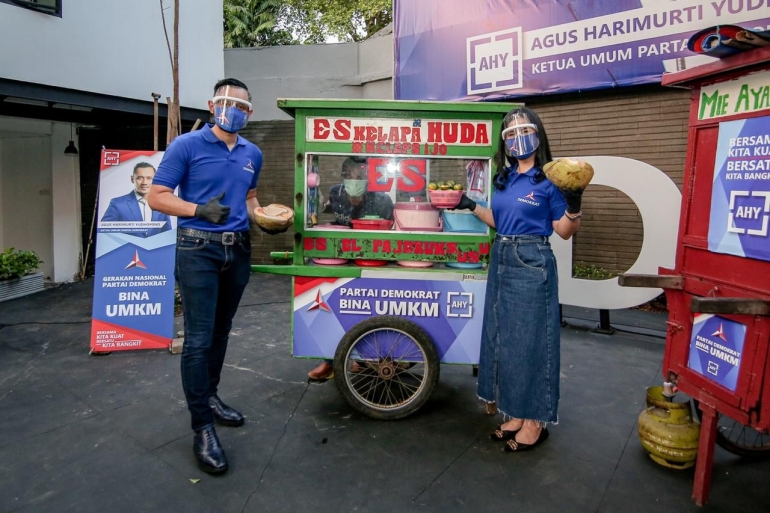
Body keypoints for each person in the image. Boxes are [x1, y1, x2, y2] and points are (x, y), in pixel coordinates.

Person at [148, 78, 278, 474]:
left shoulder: (252, 152)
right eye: (227, 102)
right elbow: (156, 195)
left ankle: (212, 397)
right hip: (197, 247)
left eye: (242, 104)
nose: (234, 109)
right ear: (212, 104)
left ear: (250, 112)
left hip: (237, 249)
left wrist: (266, 219)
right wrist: (197, 210)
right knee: (199, 339)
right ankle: (202, 425)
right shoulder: (186, 145)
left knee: (221, 333)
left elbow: (250, 198)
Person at [456, 106, 584, 452]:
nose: (517, 138)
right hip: (502, 255)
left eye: (523, 130)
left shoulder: (550, 180)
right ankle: (515, 411)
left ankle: (535, 421)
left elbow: (564, 231)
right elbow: (500, 221)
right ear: (504, 142)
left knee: (532, 341)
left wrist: (573, 205)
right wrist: (469, 204)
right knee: (504, 339)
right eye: (509, 134)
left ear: (538, 134)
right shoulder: (505, 178)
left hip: (532, 261)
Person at [306, 157, 394, 381]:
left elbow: (392, 233)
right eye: (351, 176)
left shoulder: (382, 200)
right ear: (343, 177)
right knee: (335, 309)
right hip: (341, 259)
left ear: (369, 178)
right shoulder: (335, 193)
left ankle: (367, 360)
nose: (355, 180)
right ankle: (330, 361)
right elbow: (319, 214)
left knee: (372, 310)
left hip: (373, 259)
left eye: (361, 176)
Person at [100, 162, 172, 237]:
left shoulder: (163, 204)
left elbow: (167, 236)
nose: (144, 182)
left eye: (149, 178)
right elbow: (104, 233)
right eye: (140, 178)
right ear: (132, 179)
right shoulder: (117, 204)